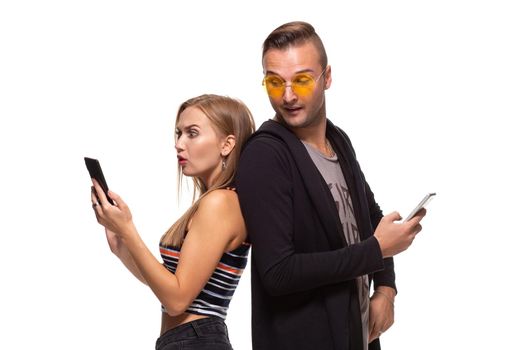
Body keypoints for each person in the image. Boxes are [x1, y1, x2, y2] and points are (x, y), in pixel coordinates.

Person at [236, 22, 427, 350]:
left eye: (303, 80)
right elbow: (278, 271)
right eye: (274, 82)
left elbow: (372, 218)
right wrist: (375, 252)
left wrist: (385, 287)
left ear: (327, 78)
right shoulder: (265, 155)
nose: (288, 95)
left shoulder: (339, 141)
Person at [90, 94, 255, 350]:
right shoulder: (214, 202)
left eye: (192, 133)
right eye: (178, 133)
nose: (179, 144)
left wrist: (129, 230)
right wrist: (122, 247)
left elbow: (177, 300)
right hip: (185, 340)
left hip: (196, 340)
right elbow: (170, 286)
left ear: (227, 144)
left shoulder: (220, 203)